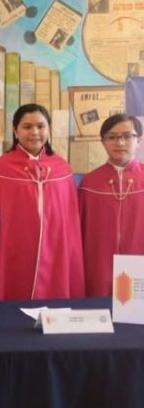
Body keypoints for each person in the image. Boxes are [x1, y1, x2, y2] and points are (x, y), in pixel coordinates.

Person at [0, 103, 84, 300]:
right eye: (27, 127)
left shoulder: (62, 168)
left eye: (41, 126)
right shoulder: (2, 167)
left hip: (55, 248)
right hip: (14, 248)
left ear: (48, 130)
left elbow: (69, 219)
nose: (34, 132)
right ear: (15, 131)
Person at [79, 114, 144, 297]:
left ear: (138, 140)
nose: (120, 143)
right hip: (98, 266)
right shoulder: (89, 183)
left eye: (127, 136)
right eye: (112, 137)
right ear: (103, 142)